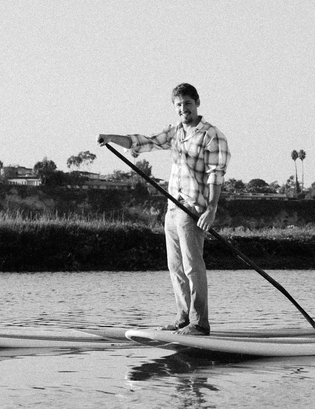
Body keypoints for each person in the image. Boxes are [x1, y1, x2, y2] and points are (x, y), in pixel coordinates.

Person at [98, 83, 229, 336]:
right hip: (172, 208)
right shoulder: (175, 133)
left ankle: (200, 323)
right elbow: (145, 142)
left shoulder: (212, 135)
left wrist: (211, 209)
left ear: (197, 103)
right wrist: (111, 138)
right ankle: (183, 319)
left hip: (192, 209)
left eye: (188, 104)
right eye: (179, 106)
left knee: (193, 266)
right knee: (175, 267)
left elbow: (216, 175)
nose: (183, 110)